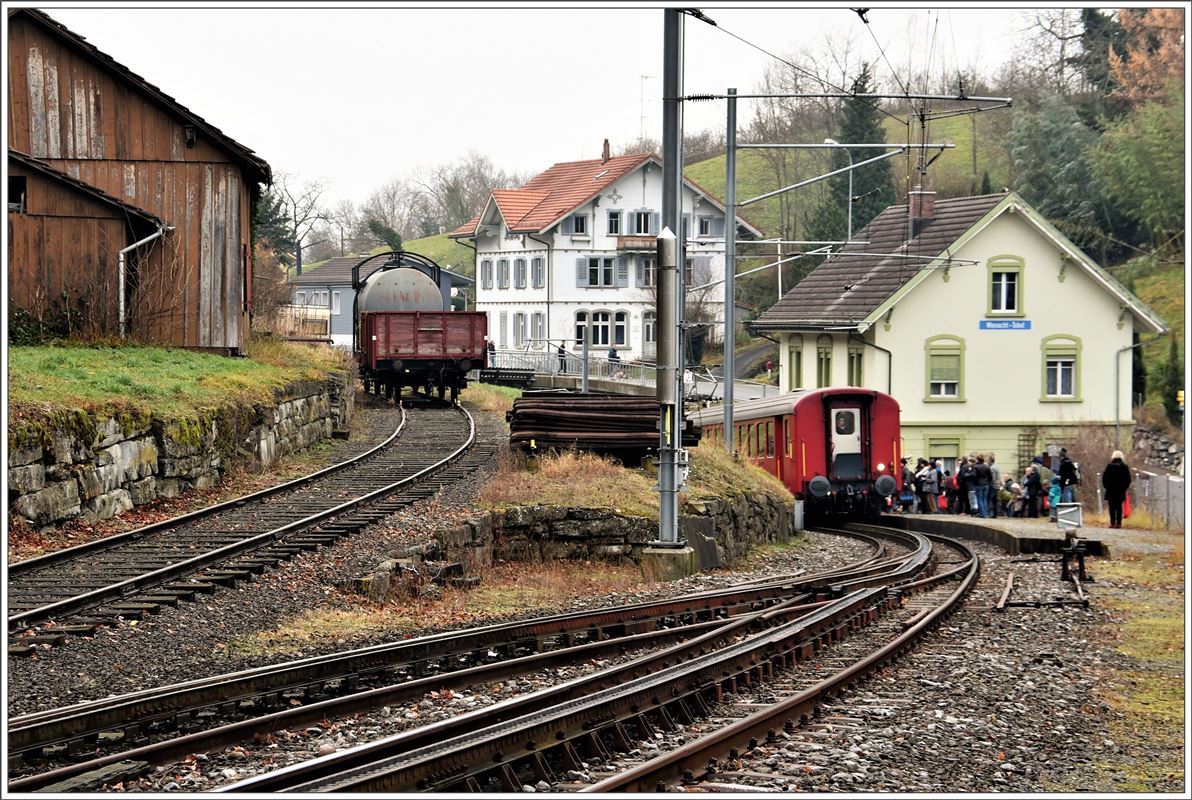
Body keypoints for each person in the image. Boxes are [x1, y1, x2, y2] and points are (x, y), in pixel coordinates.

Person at [1102, 450, 1132, 528]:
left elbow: (1104, 478)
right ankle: (1119, 523)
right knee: (1119, 507)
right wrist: (1124, 488)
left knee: (1111, 507)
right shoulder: (1124, 467)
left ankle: (1112, 523)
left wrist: (1107, 487)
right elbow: (1128, 479)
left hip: (1110, 490)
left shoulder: (1109, 466)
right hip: (1120, 490)